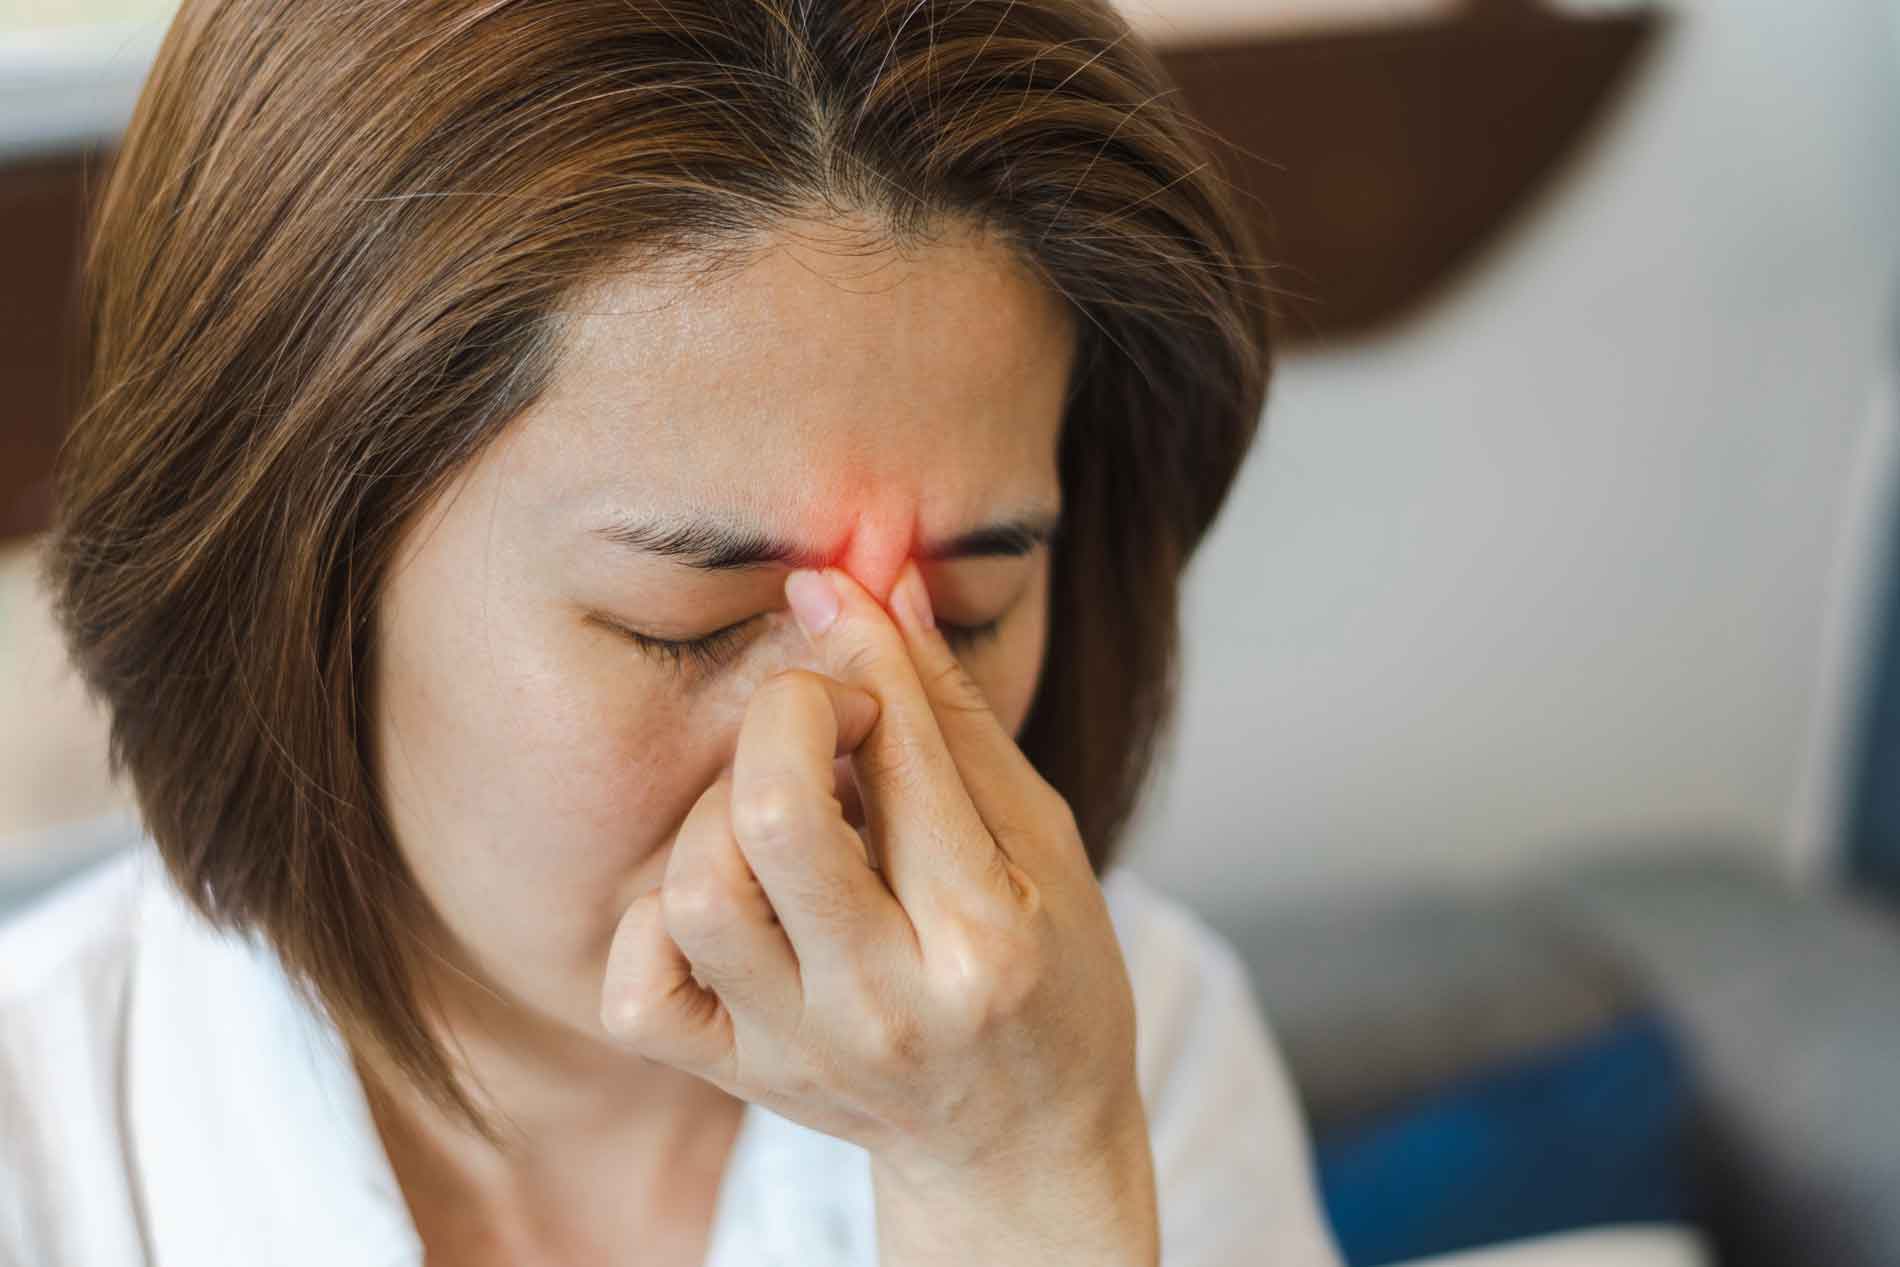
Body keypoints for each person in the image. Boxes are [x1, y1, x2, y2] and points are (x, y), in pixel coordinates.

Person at [0, 1, 1343, 1263]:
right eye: (687, 627)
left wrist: (1016, 1177)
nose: (848, 763)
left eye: (968, 612)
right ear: (287, 586)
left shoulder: (1126, 1049)